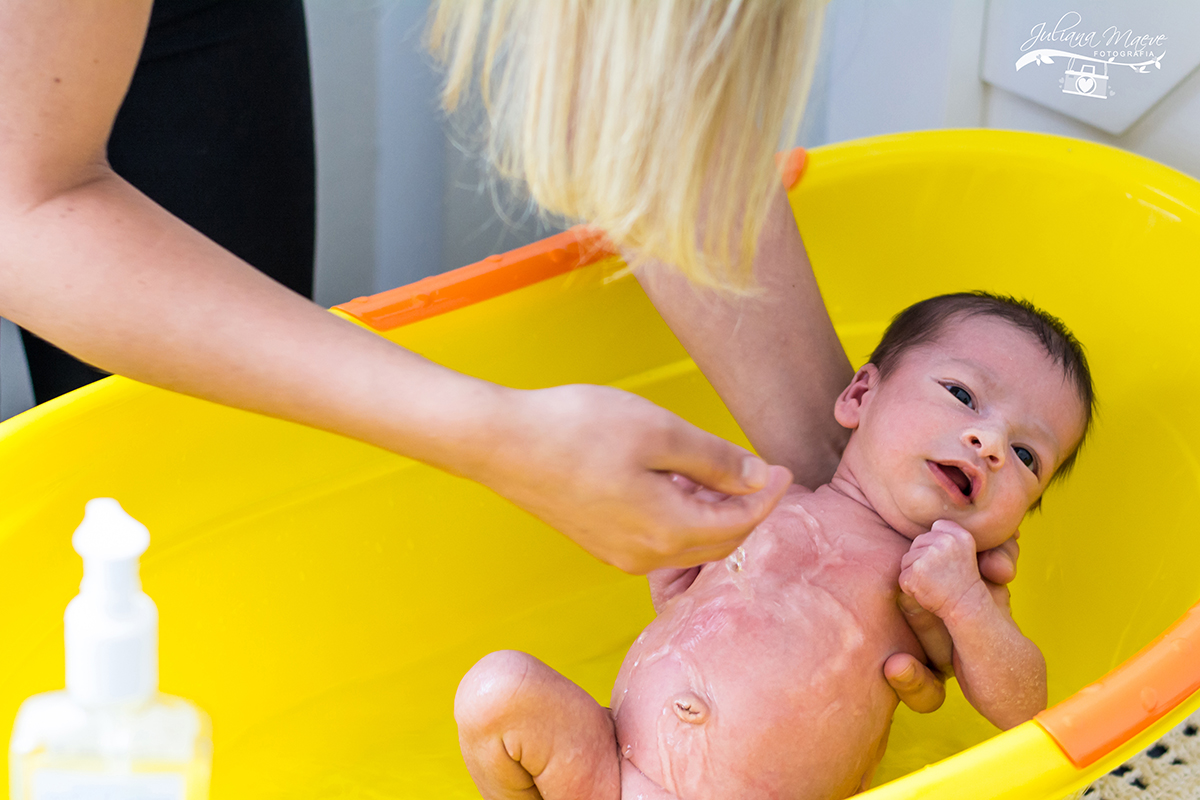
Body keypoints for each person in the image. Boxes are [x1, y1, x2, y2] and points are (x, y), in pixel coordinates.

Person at [453, 293, 1096, 800]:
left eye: (1025, 454)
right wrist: (677, 564)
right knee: (497, 689)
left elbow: (1025, 707)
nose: (988, 441)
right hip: (606, 773)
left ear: (1017, 520)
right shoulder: (762, 498)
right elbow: (678, 600)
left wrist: (967, 608)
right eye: (961, 395)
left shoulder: (941, 583)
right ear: (860, 395)